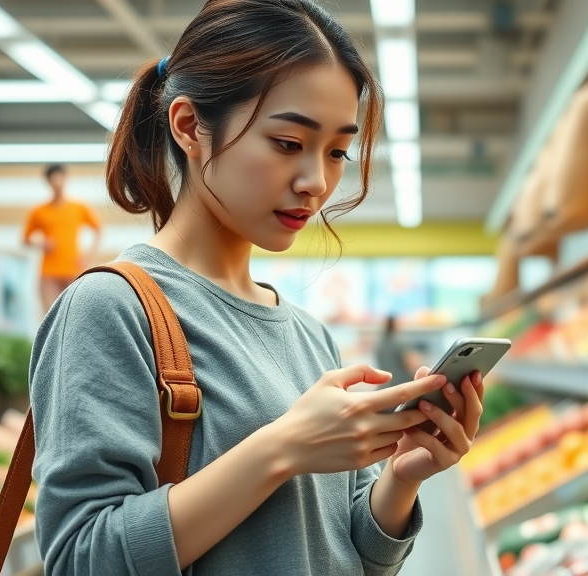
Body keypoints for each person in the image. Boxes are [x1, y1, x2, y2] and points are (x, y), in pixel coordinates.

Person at [28, 1, 485, 575]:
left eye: (338, 151)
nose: (316, 182)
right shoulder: (111, 307)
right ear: (190, 126)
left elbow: (345, 559)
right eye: (289, 143)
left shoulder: (306, 332)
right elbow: (81, 559)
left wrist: (401, 478)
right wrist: (282, 449)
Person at [22, 164, 102, 314]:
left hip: (73, 268)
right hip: (48, 272)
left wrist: (88, 256)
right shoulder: (39, 211)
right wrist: (41, 243)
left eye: (60, 177)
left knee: (76, 313)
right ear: (48, 182)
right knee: (49, 314)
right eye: (54, 178)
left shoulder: (78, 207)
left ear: (66, 179)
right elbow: (25, 239)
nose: (58, 182)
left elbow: (98, 230)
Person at [375, 315, 426, 386]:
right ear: (395, 325)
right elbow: (413, 364)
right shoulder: (400, 343)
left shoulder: (380, 345)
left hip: (386, 386)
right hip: (403, 385)